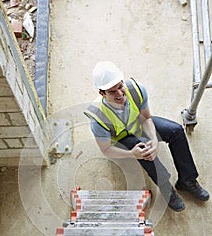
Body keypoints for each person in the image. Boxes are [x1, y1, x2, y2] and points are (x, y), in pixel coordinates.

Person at [84, 61, 209, 212]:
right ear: (102, 93)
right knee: (145, 152)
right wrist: (131, 153)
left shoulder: (136, 90)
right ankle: (167, 189)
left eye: (120, 86)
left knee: (175, 130)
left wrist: (154, 140)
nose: (119, 93)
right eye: (112, 91)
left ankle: (187, 180)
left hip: (138, 125)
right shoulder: (98, 117)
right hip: (121, 140)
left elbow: (146, 118)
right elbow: (106, 149)